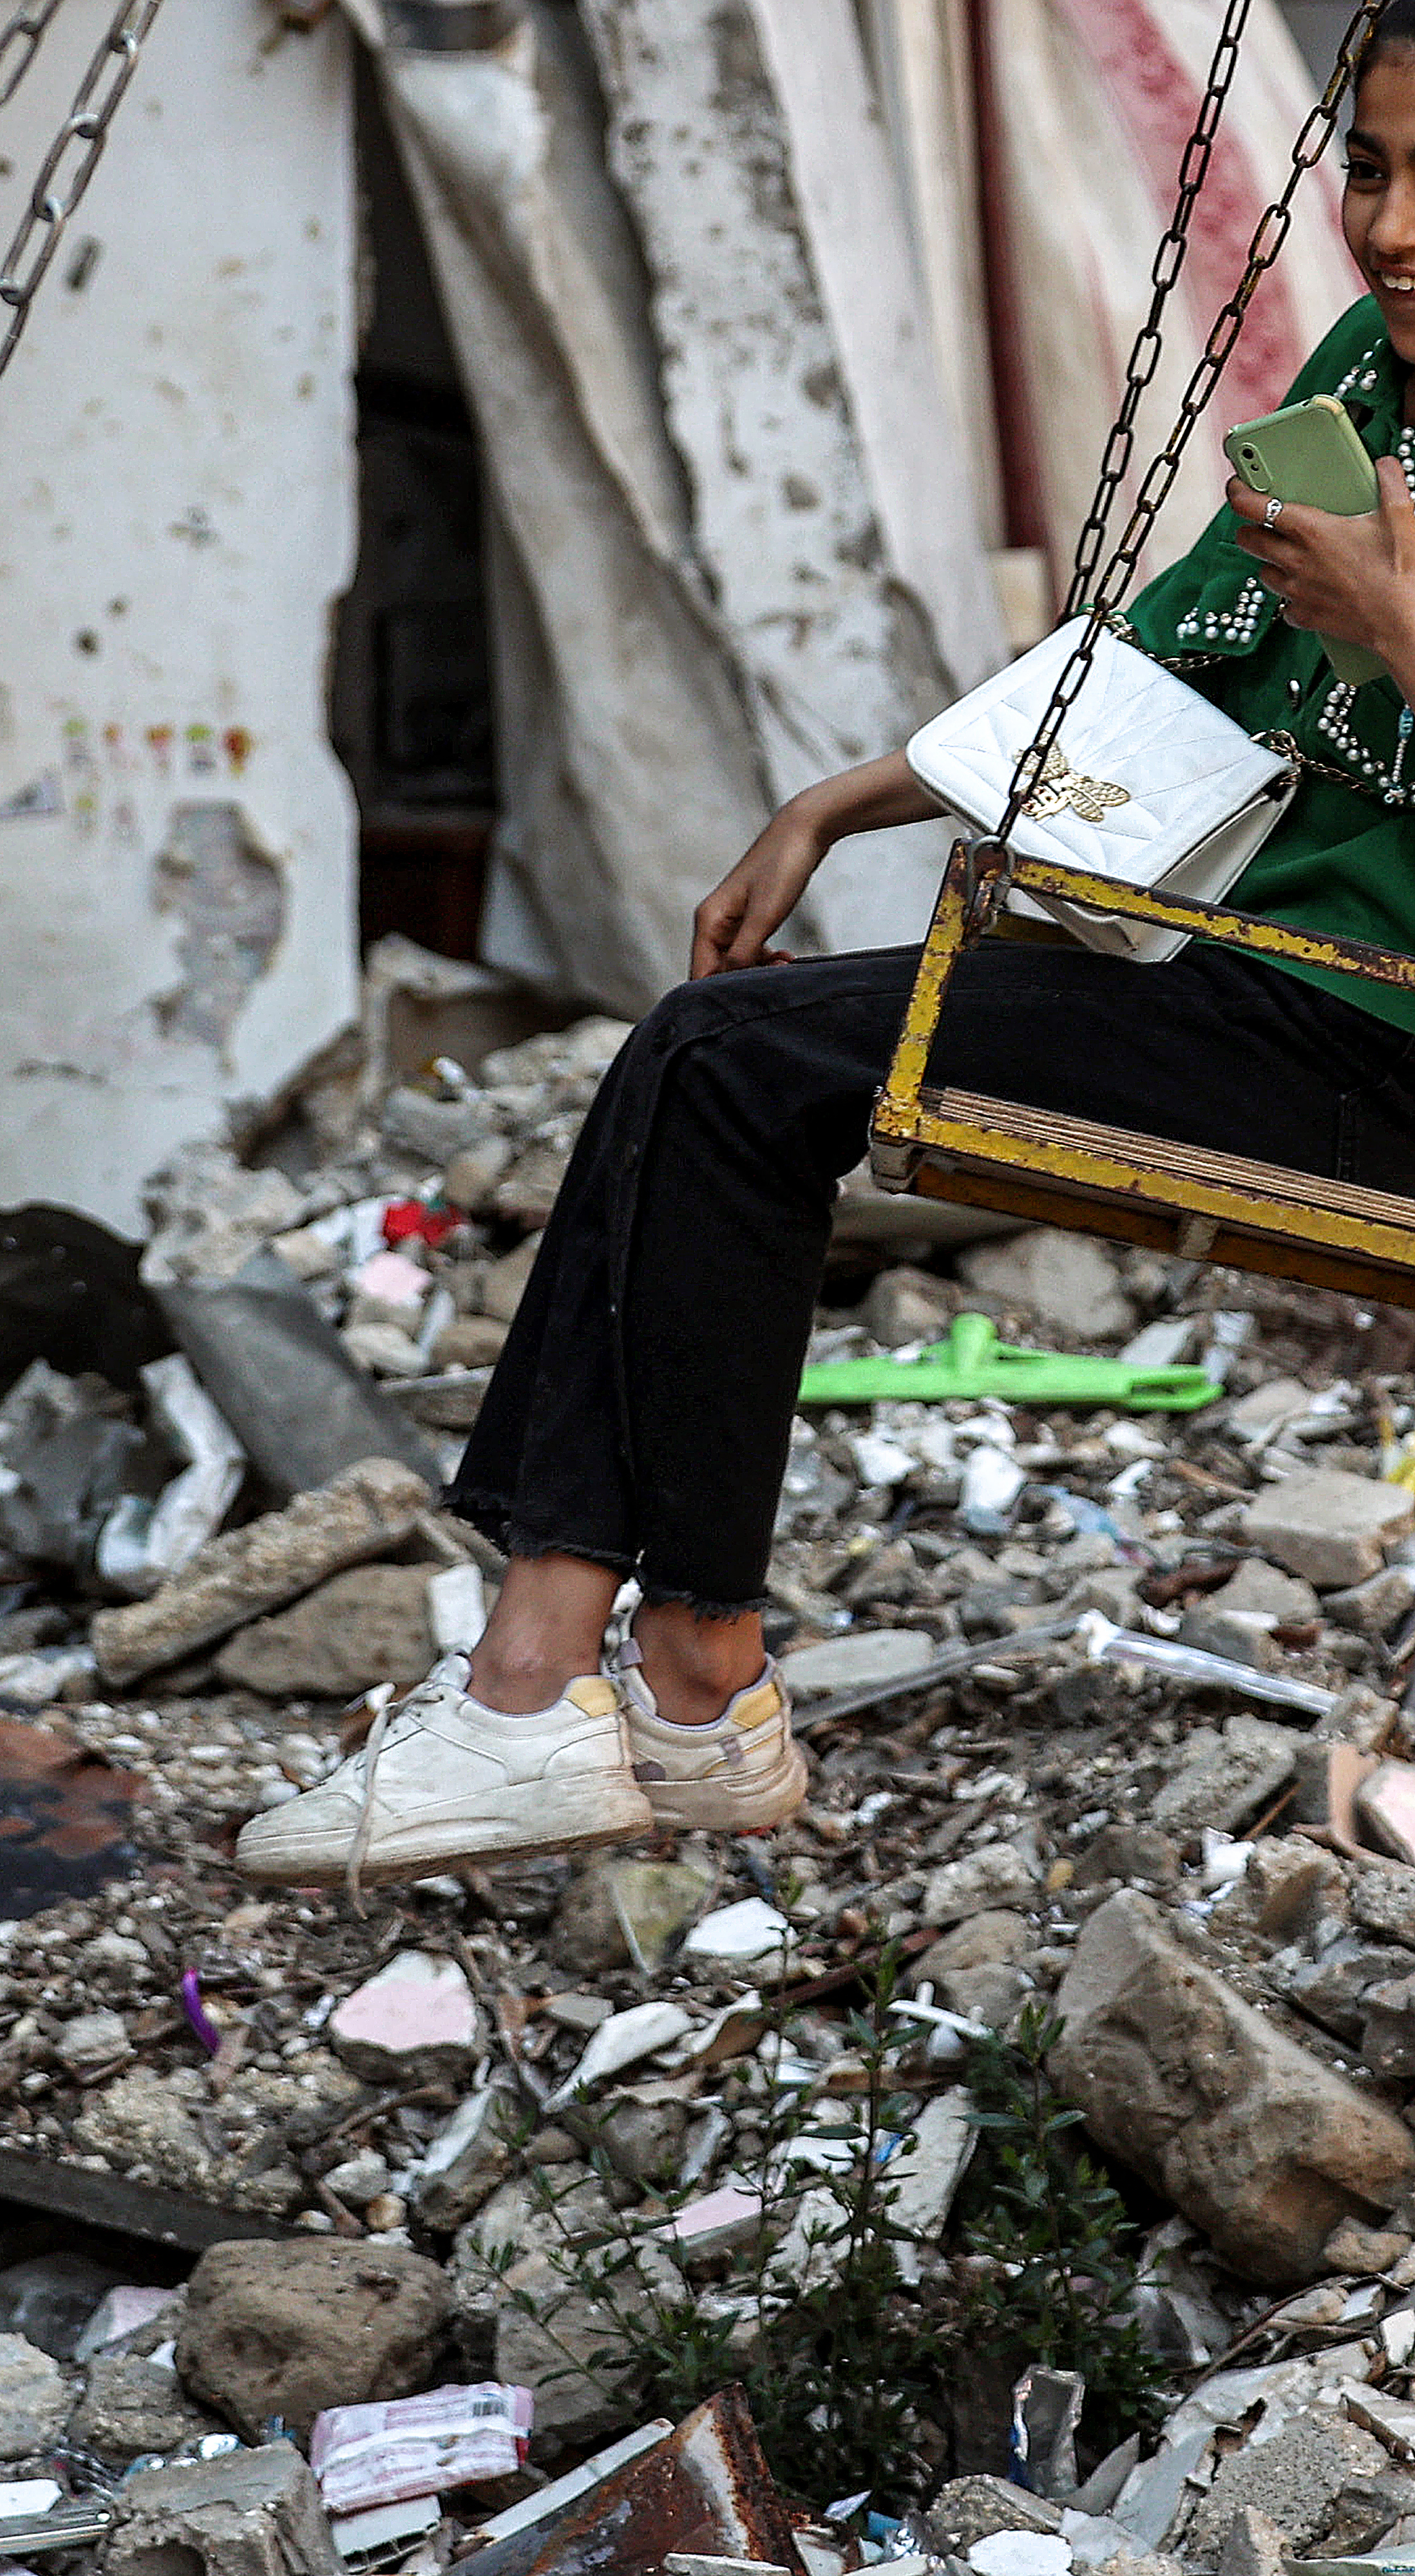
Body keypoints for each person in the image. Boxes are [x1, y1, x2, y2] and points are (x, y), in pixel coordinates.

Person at [238, 16, 1415, 1889]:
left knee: (726, 1064)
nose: (1394, 227)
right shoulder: (1373, 378)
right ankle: (631, 1693)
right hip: (1274, 992)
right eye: (1367, 168)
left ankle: (616, 1693)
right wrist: (838, 804)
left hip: (1390, 1059)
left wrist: (1397, 620)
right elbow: (1171, 648)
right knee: (718, 1045)